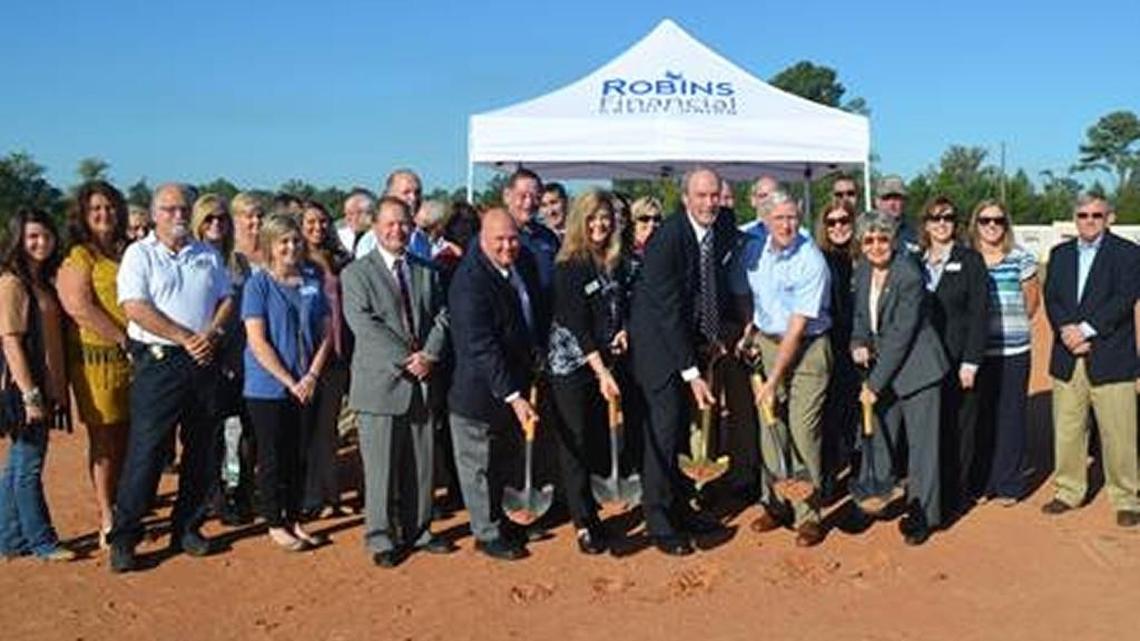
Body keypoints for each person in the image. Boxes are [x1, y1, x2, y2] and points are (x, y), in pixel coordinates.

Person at [108, 183, 234, 573]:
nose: (178, 216)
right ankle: (126, 536)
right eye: (169, 210)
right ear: (154, 214)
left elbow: (226, 298)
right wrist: (183, 336)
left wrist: (210, 334)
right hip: (160, 363)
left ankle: (188, 528)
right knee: (147, 450)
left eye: (183, 209)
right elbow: (134, 307)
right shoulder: (139, 254)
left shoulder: (207, 254)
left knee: (202, 449)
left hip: (203, 360)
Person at [629, 167, 740, 556]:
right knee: (662, 433)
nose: (709, 203)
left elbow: (714, 285)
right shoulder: (667, 239)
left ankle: (680, 509)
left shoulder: (721, 226)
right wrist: (691, 371)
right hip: (658, 350)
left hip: (687, 343)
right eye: (701, 196)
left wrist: (717, 334)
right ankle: (659, 523)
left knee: (678, 433)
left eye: (715, 195)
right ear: (686, 198)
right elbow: (668, 312)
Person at [341, 197, 456, 567]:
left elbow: (442, 316)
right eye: (389, 224)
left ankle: (419, 531)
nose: (397, 230)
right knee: (381, 470)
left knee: (421, 466)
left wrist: (431, 354)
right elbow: (364, 325)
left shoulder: (427, 270)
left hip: (422, 381)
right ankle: (380, 538)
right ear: (375, 227)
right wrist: (409, 358)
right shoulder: (356, 274)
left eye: (404, 223)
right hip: (381, 384)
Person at [733, 191, 831, 547]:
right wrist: (750, 328)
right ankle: (775, 505)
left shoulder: (811, 259)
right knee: (769, 428)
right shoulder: (753, 249)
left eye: (793, 218)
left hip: (807, 347)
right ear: (765, 221)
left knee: (803, 430)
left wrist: (772, 380)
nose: (788, 225)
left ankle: (808, 515)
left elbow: (797, 326)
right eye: (779, 219)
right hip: (767, 344)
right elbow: (746, 292)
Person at [447, 208, 544, 561]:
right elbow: (481, 347)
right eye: (499, 240)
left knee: (503, 461)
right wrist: (515, 397)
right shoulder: (470, 281)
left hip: (514, 382)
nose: (508, 246)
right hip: (480, 391)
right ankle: (486, 533)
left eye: (513, 238)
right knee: (478, 466)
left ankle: (502, 519)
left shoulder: (522, 266)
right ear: (482, 240)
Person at [850, 212, 948, 546]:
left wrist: (873, 385)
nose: (876, 246)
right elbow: (862, 316)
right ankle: (871, 502)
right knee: (879, 436)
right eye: (868, 240)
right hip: (885, 369)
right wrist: (858, 342)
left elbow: (900, 336)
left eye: (882, 239)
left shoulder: (908, 273)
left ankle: (925, 515)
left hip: (918, 370)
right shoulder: (863, 271)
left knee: (922, 449)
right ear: (861, 244)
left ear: (893, 240)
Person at [1042, 195, 1140, 527]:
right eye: (1082, 214)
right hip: (1068, 355)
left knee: (1119, 431)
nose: (1089, 220)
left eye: (1097, 215)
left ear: (1109, 217)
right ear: (1075, 218)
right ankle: (1068, 490)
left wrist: (1086, 329)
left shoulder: (1128, 254)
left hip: (1111, 355)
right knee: (1068, 428)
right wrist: (1067, 331)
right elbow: (1052, 298)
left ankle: (1126, 496)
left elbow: (1125, 298)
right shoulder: (1060, 254)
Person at [242, 214, 333, 551]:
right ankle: (275, 522)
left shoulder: (313, 278)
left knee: (300, 455)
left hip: (307, 384)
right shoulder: (258, 285)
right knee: (273, 456)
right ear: (270, 245)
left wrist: (310, 375)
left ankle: (295, 518)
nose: (291, 247)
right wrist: (289, 379)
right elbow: (257, 340)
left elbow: (326, 332)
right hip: (267, 389)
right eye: (283, 242)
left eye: (295, 240)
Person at [547, 190, 627, 555]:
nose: (600, 224)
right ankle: (582, 523)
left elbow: (614, 304)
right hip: (573, 365)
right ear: (581, 220)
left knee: (595, 438)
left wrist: (621, 330)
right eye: (593, 217)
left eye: (605, 217)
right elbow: (577, 324)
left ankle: (591, 511)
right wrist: (600, 372)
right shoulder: (570, 265)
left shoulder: (610, 260)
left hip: (602, 361)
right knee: (575, 442)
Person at [56, 181, 132, 550]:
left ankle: (123, 502)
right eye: (95, 209)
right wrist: (123, 339)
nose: (104, 214)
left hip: (132, 360)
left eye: (109, 207)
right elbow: (80, 308)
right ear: (84, 216)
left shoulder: (126, 252)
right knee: (104, 437)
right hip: (95, 360)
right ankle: (107, 514)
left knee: (127, 436)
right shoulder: (79, 257)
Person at [0, 208, 75, 562]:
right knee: (29, 466)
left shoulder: (40, 281)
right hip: (24, 389)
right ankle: (42, 541)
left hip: (40, 386)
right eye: (32, 236)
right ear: (18, 240)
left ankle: (10, 538)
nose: (40, 242)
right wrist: (30, 395)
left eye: (45, 235)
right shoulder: (12, 283)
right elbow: (11, 342)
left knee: (17, 465)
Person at [919, 197, 988, 518]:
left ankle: (956, 495)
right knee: (932, 429)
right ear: (926, 224)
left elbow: (979, 314)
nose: (941, 223)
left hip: (960, 362)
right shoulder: (915, 262)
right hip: (924, 365)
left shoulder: (970, 260)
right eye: (935, 218)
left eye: (947, 217)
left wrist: (971, 362)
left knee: (960, 430)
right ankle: (930, 491)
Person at [968, 200, 1040, 505]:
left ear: (1006, 224)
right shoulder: (968, 258)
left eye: (998, 220)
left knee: (1011, 416)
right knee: (981, 415)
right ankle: (983, 482)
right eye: (985, 220)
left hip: (1013, 350)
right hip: (977, 352)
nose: (992, 226)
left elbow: (1032, 300)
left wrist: (1010, 325)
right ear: (976, 224)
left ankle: (1009, 482)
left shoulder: (1021, 257)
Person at [299, 200, 354, 518]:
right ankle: (311, 495)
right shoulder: (294, 260)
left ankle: (332, 495)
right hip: (306, 357)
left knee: (328, 428)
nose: (318, 227)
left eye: (322, 221)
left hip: (338, 354)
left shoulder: (341, 260)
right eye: (310, 222)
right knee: (305, 429)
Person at [218, 191, 264, 523]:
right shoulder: (225, 258)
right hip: (227, 354)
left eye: (259, 215)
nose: (255, 222)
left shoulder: (272, 254)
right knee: (225, 429)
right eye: (247, 215)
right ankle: (224, 492)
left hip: (261, 358)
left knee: (253, 429)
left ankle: (246, 489)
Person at [813, 198, 858, 499]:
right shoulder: (818, 259)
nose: (838, 227)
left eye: (844, 221)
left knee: (857, 418)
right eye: (832, 222)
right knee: (828, 418)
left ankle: (860, 477)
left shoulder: (863, 257)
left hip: (860, 348)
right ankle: (827, 480)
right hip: (829, 346)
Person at [503, 168, 560, 296]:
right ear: (507, 196)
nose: (528, 203)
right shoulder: (493, 239)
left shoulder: (548, 237)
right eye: (522, 196)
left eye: (535, 197)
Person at [356, 170, 424, 259]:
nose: (413, 198)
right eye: (406, 192)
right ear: (389, 195)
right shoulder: (371, 241)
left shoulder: (422, 239)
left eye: (417, 192)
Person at [874, 175, 919, 254]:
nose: (892, 203)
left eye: (897, 198)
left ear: (905, 201)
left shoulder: (918, 230)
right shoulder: (866, 231)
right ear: (877, 202)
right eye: (887, 198)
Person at [336, 188, 376, 256]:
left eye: (351, 213)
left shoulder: (379, 237)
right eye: (345, 214)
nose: (347, 218)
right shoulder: (341, 235)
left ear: (367, 214)